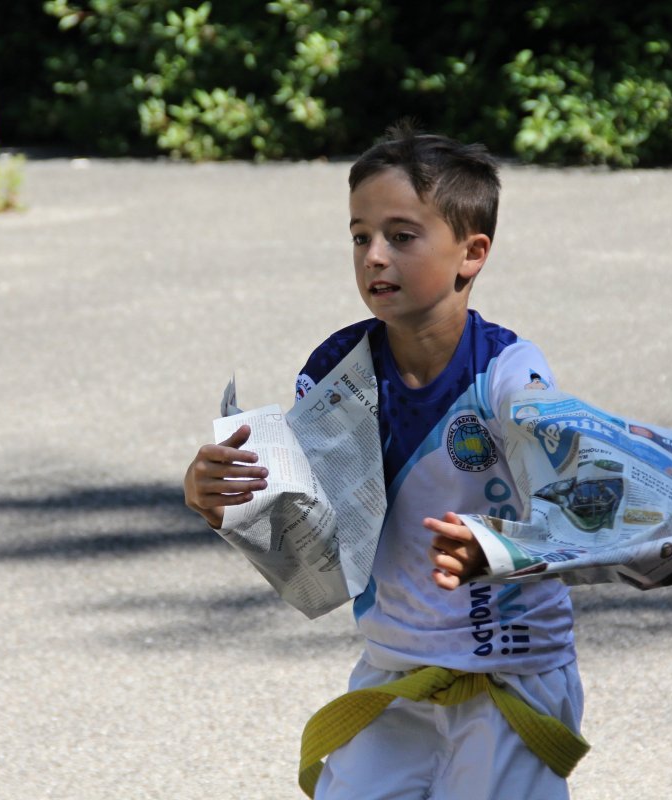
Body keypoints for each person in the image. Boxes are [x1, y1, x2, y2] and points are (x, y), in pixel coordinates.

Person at [183, 122, 586, 800]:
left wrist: (500, 549)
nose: (374, 256)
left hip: (512, 672)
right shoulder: (336, 371)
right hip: (395, 668)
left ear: (471, 254)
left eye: (401, 236)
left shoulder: (509, 373)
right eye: (359, 236)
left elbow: (579, 510)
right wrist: (218, 498)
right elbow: (313, 542)